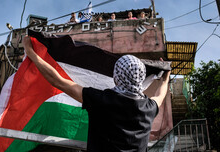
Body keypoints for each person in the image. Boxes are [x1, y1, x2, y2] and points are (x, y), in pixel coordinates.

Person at [23, 36, 171, 152]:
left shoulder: (102, 100)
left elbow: (58, 81)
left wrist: (31, 53)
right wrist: (166, 75)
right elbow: (161, 93)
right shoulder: (149, 108)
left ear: (117, 76)